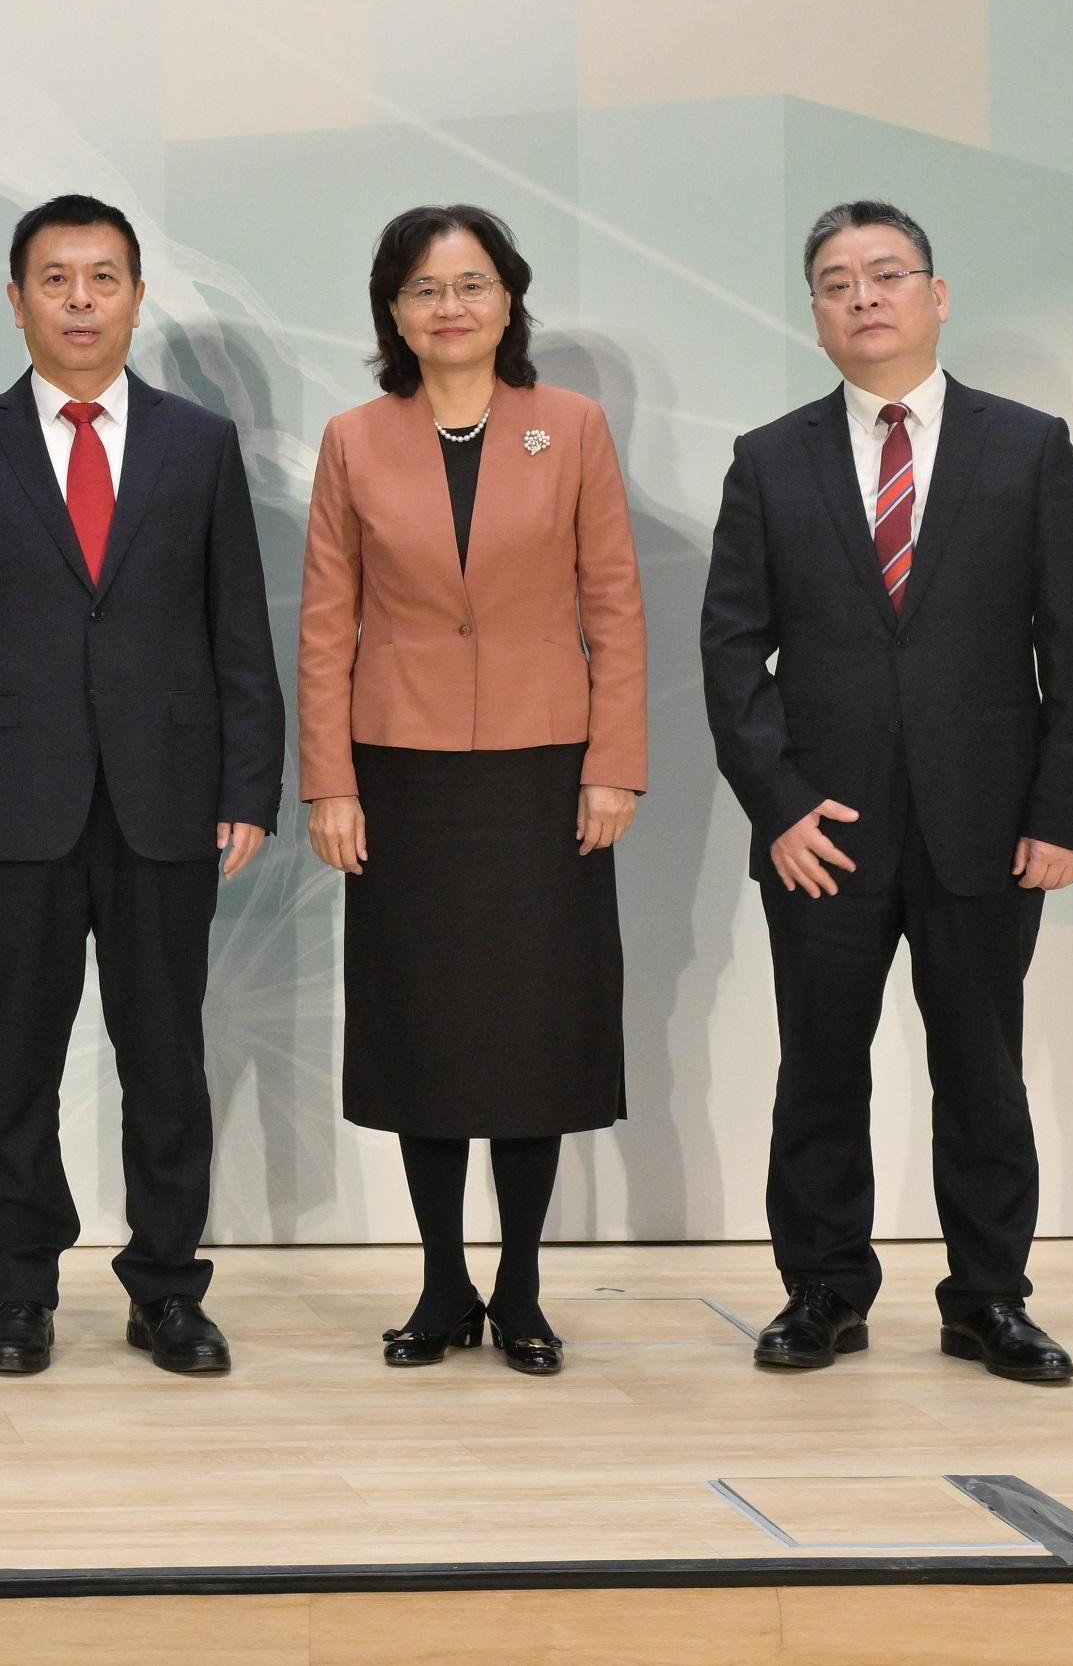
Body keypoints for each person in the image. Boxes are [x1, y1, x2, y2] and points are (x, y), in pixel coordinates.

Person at [701, 201, 1073, 1384]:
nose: (863, 295)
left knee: (981, 1069)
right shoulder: (768, 458)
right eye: (836, 281)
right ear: (817, 315)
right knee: (819, 1066)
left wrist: (1059, 813)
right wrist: (777, 804)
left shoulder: (1025, 445)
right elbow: (732, 651)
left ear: (938, 296)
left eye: (887, 274)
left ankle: (988, 1296)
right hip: (821, 831)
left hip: (988, 827)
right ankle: (823, 1289)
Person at [0, 194, 283, 1378]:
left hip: (169, 795)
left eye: (100, 277)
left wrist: (249, 785)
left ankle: (167, 1287)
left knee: (164, 1052)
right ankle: (19, 1290)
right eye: (53, 279)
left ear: (135, 297)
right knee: (17, 1052)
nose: (77, 300)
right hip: (11, 801)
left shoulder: (197, 444)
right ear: (14, 299)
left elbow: (238, 636)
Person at [297, 206, 647, 1377]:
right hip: (399, 773)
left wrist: (614, 760)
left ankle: (523, 1283)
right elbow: (323, 622)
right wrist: (328, 781)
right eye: (423, 289)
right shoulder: (355, 436)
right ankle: (443, 1279)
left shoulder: (573, 426)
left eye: (471, 283)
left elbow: (615, 606)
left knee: (532, 1034)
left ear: (509, 299)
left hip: (546, 770)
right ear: (390, 311)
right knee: (424, 1032)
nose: (449, 306)